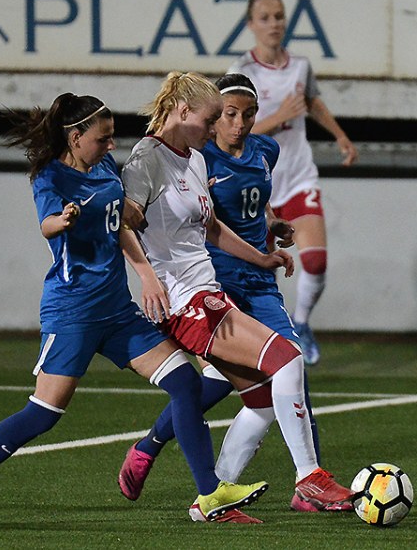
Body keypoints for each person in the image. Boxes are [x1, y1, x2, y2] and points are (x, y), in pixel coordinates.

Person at [0, 93, 269, 529]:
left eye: (111, 137)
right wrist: (62, 221)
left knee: (185, 382)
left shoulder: (104, 168)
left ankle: (209, 492)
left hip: (117, 311)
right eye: (102, 139)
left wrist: (146, 274)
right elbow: (46, 224)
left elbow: (119, 225)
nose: (110, 146)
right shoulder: (51, 177)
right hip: (74, 313)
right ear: (75, 138)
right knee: (42, 414)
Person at [117, 71, 354, 522]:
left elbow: (211, 227)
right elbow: (122, 223)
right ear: (183, 111)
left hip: (211, 292)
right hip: (186, 302)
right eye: (213, 119)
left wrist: (261, 255)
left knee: (263, 402)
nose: (217, 130)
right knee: (288, 361)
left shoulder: (193, 158)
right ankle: (310, 478)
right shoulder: (146, 159)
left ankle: (214, 497)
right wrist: (146, 276)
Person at [228, 0, 359, 366]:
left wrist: (339, 135)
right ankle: (261, 343)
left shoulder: (300, 65)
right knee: (258, 271)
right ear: (251, 25)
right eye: (265, 17)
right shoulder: (243, 71)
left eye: (279, 16)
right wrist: (280, 117)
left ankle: (301, 323)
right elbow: (232, 131)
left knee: (315, 262)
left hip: (299, 177)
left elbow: (312, 101)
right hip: (258, 184)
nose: (274, 24)